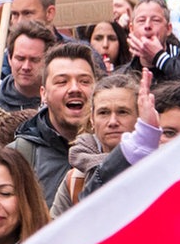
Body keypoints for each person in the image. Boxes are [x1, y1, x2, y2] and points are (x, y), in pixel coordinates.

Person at [12, 42, 99, 202]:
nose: (74, 89)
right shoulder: (19, 156)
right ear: (43, 94)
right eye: (62, 82)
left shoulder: (118, 148)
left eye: (84, 81)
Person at [51, 72, 138, 215]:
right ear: (92, 119)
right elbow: (56, 234)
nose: (112, 122)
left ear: (139, 116)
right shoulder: (75, 181)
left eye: (123, 112)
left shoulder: (155, 167)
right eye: (103, 113)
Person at [0, 21, 51, 114]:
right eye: (20, 59)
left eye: (34, 60)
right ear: (10, 58)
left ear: (48, 61)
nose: (26, 67)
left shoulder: (58, 102)